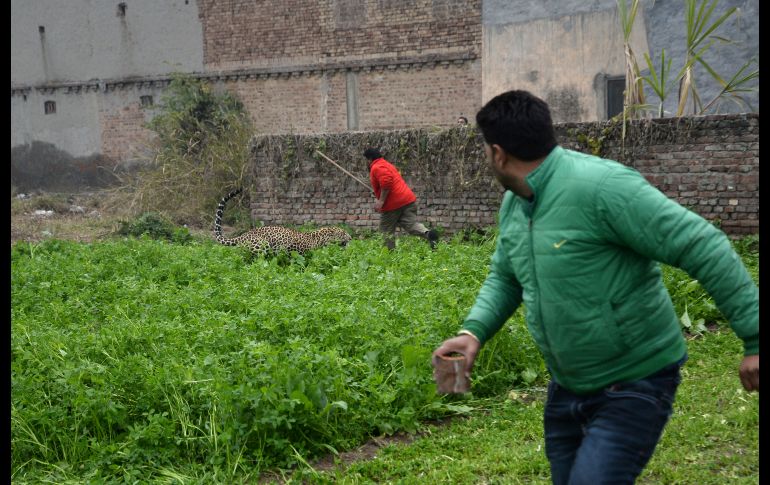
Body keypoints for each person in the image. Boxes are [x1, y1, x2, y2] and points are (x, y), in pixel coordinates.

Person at [432, 90, 759, 484]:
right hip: (567, 386)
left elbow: (702, 245)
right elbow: (506, 276)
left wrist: (755, 338)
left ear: (498, 154)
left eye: (485, 150)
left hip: (635, 380)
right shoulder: (516, 203)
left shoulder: (603, 187)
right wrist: (474, 332)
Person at [363, 148, 438, 250]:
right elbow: (389, 182)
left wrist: (381, 201)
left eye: (366, 160)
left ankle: (388, 254)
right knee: (411, 225)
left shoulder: (377, 167)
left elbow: (386, 183)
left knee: (385, 230)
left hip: (393, 204)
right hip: (407, 200)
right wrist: (379, 193)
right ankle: (428, 234)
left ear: (369, 159)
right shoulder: (387, 164)